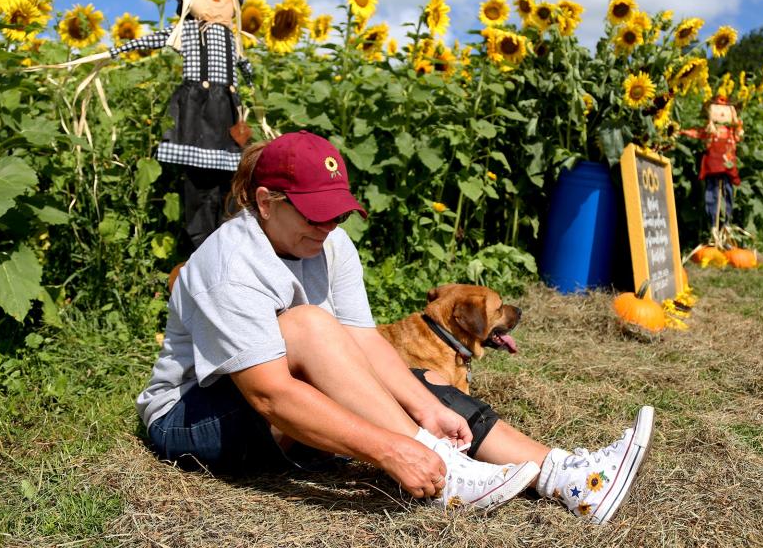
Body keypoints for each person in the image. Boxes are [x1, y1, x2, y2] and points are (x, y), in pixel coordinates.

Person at [137, 130, 654, 522]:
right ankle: (444, 470)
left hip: (279, 399)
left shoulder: (330, 245)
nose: (329, 228)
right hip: (196, 418)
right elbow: (271, 395)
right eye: (315, 215)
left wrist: (426, 409)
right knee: (310, 325)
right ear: (267, 201)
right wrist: (392, 449)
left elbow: (364, 341)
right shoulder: (230, 263)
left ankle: (566, 475)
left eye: (336, 215)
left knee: (423, 382)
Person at [110, 0, 254, 250]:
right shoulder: (187, 30)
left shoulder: (232, 39)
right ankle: (199, 250)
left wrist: (249, 78)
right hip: (196, 113)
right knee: (198, 185)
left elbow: (243, 63)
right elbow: (158, 38)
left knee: (229, 183)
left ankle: (229, 246)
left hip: (227, 115)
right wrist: (118, 49)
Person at [680, 94, 744, 231]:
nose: (721, 113)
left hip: (727, 165)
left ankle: (726, 224)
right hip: (713, 165)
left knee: (726, 192)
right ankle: (713, 226)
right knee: (712, 192)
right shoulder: (711, 130)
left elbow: (739, 135)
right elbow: (699, 133)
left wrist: (738, 125)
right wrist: (683, 132)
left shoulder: (731, 131)